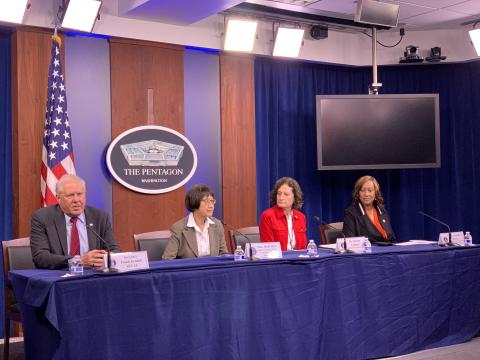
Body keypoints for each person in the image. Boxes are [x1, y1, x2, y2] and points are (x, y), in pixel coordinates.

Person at [30, 174, 120, 269]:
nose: (76, 200)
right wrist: (78, 261)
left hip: (93, 274)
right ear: (58, 198)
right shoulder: (42, 218)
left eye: (80, 194)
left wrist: (106, 258)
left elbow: (113, 250)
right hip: (60, 275)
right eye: (70, 195)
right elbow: (40, 257)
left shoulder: (100, 217)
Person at [162, 184, 228, 259]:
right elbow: (167, 259)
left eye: (212, 201)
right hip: (189, 270)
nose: (211, 205)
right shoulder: (179, 228)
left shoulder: (217, 224)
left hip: (213, 269)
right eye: (206, 201)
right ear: (194, 202)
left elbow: (224, 254)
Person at [342, 175, 396, 244]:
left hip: (387, 252)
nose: (366, 194)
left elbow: (391, 237)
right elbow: (349, 241)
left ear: (375, 193)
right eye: (362, 190)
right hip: (366, 253)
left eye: (370, 190)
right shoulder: (351, 213)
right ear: (358, 193)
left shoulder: (382, 211)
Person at [259, 177, 307, 251]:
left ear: (294, 198)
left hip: (298, 259)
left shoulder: (301, 217)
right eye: (279, 194)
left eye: (286, 194)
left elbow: (303, 247)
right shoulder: (268, 216)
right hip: (279, 260)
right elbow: (268, 247)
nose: (281, 197)